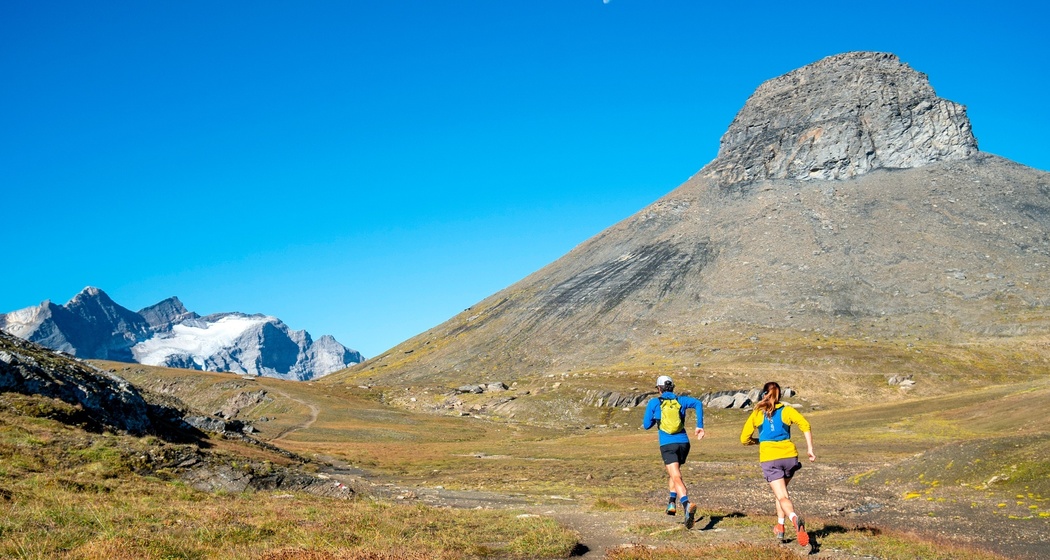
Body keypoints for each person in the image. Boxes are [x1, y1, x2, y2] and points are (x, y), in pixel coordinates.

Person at [739, 381, 815, 547]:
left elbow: (744, 439)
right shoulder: (787, 410)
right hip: (789, 457)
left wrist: (757, 441)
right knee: (781, 493)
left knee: (782, 496)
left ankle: (795, 520)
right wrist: (809, 449)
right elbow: (805, 425)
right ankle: (780, 527)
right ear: (779, 395)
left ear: (763, 394)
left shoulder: (757, 413)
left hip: (770, 459)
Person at [642, 375, 705, 529]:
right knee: (674, 472)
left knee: (676, 475)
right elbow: (698, 403)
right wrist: (699, 425)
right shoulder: (681, 400)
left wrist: (655, 419)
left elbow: (646, 425)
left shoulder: (654, 403)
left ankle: (686, 504)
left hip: (667, 444)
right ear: (672, 387)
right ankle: (671, 502)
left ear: (659, 389)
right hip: (684, 443)